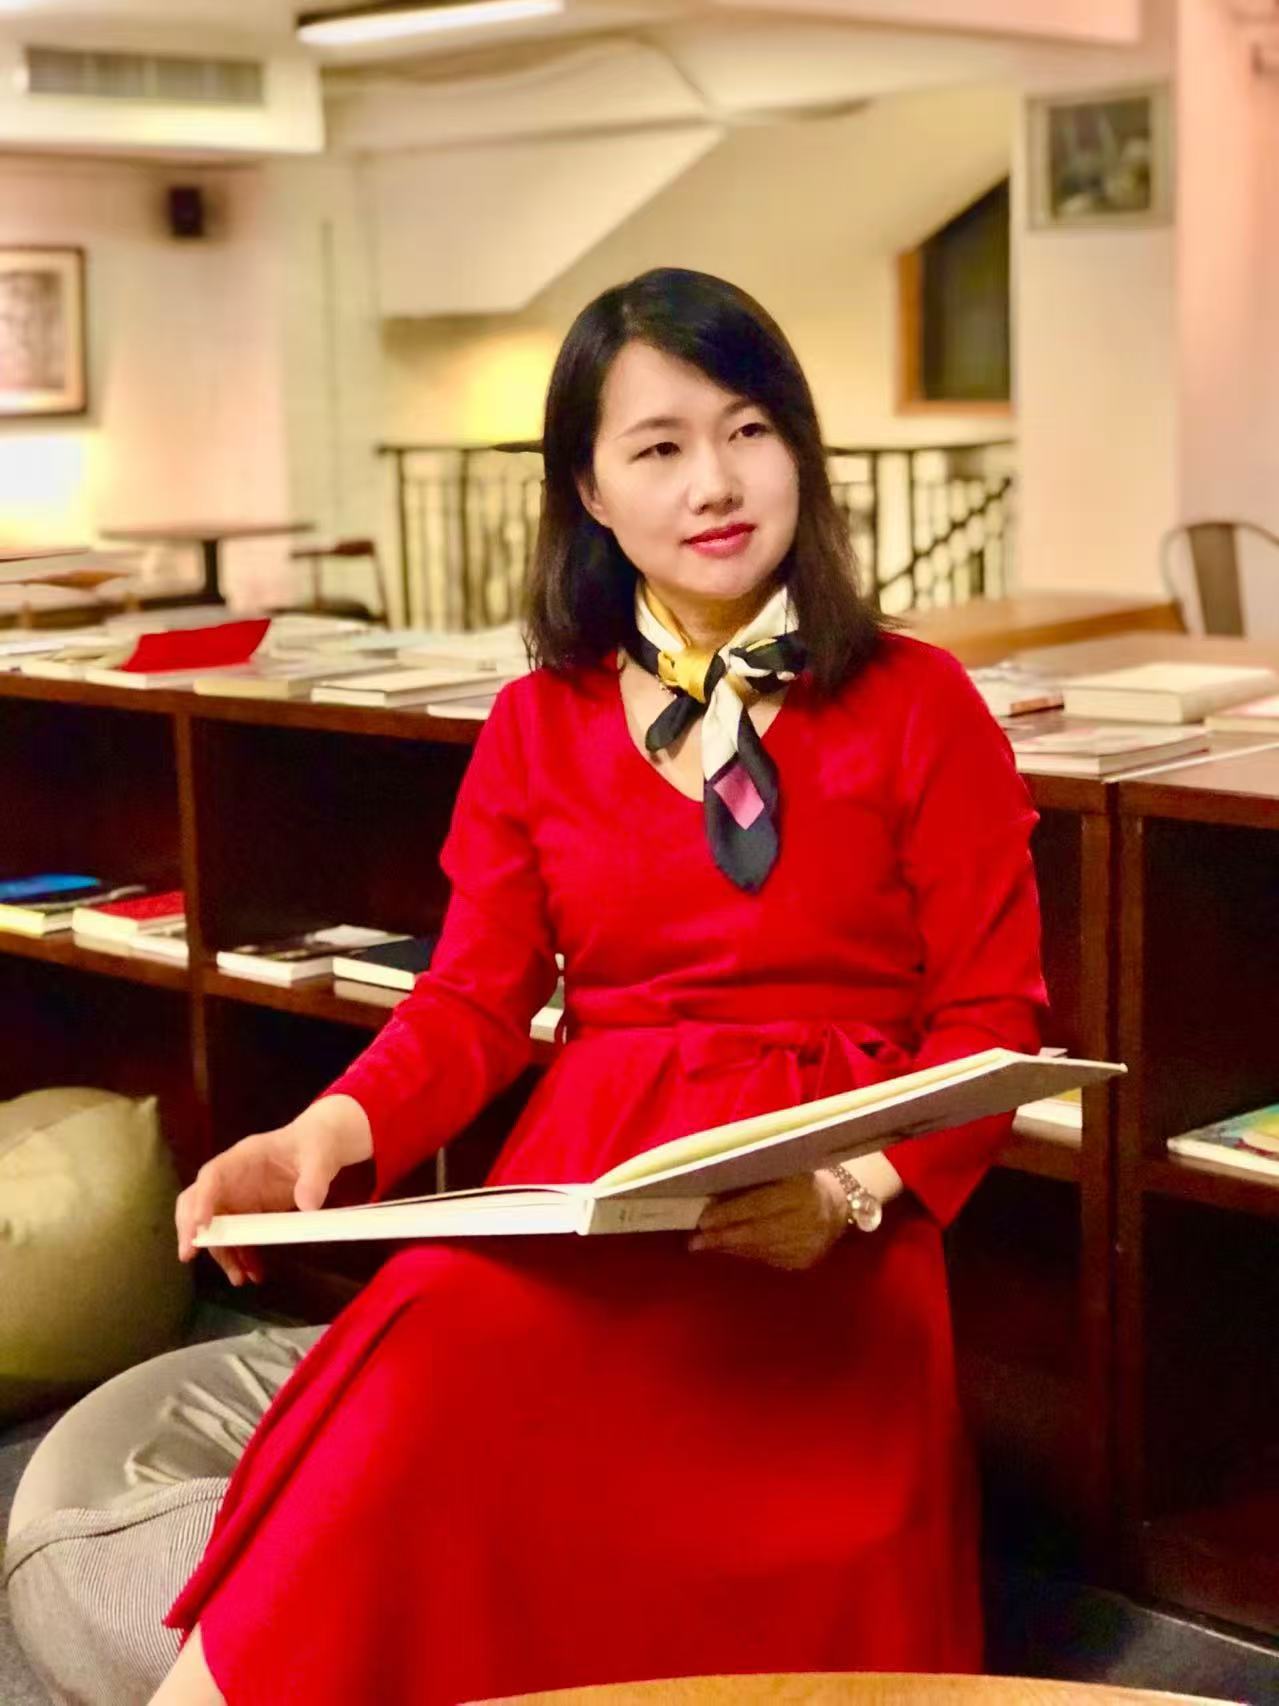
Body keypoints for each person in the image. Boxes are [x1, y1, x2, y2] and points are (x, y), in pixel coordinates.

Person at [153, 267, 1046, 1706]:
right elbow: (472, 1004)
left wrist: (848, 1190)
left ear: (800, 449)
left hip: (826, 1213)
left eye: (750, 429)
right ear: (587, 488)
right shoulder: (534, 723)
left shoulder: (922, 703)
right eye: (660, 446)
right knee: (409, 1383)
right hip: (590, 1198)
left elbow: (997, 1023)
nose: (716, 482)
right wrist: (322, 1132)